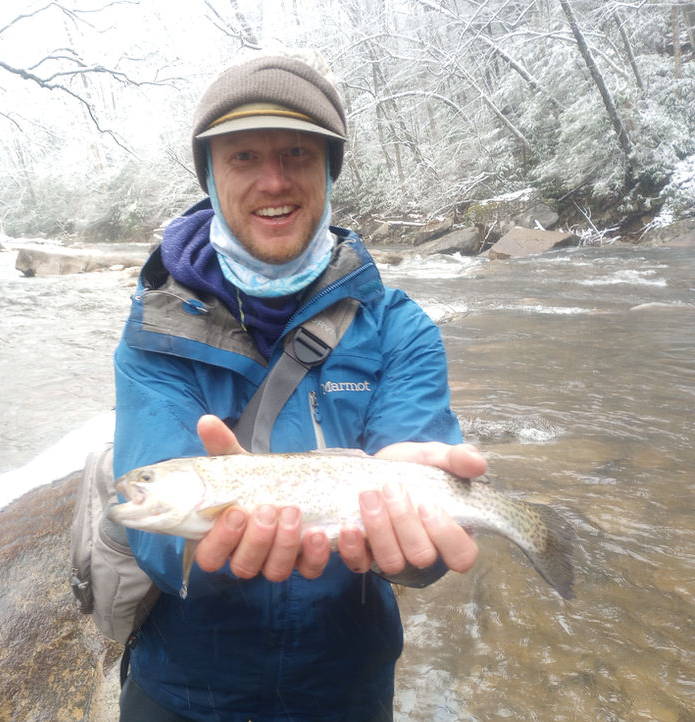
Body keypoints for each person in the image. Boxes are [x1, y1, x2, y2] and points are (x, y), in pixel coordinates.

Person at [112, 49, 484, 721]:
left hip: (343, 690)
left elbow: (423, 555)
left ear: (329, 171)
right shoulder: (154, 328)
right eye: (243, 158)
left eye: (297, 155)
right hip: (181, 690)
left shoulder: (402, 331)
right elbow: (154, 540)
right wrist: (189, 542)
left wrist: (415, 551)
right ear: (210, 175)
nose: (273, 181)